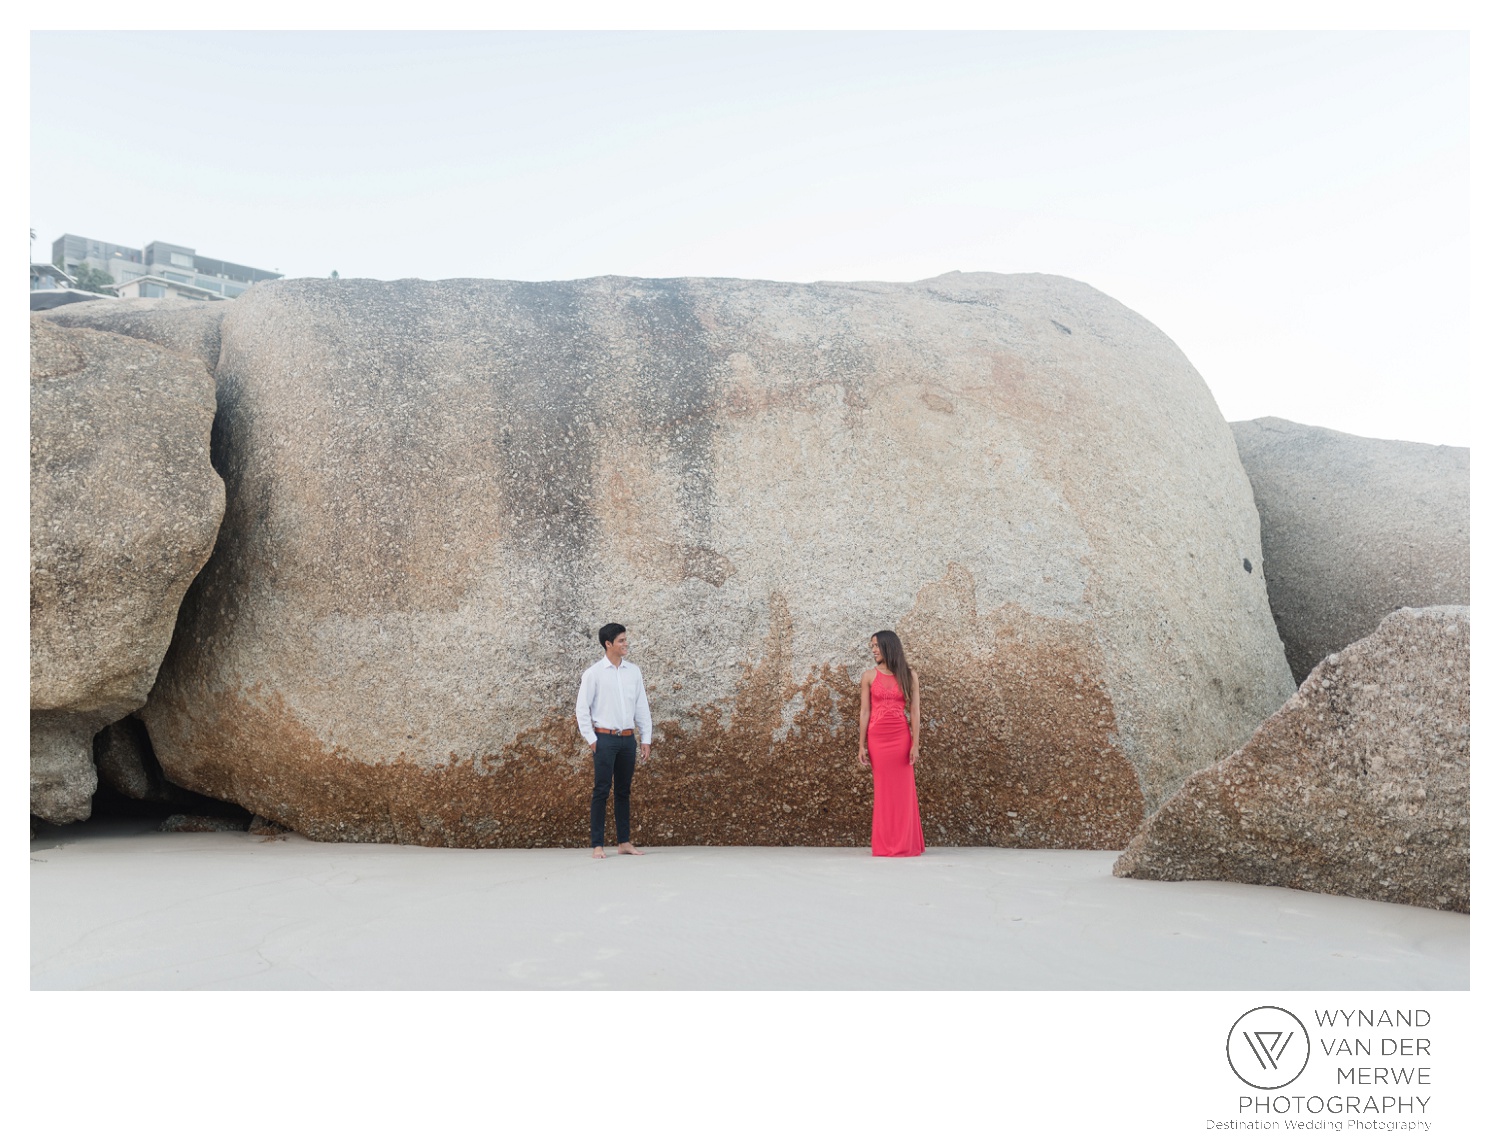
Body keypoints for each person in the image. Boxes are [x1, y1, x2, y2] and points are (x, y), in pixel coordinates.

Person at [575, 622, 653, 859]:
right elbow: (582, 709)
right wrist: (592, 739)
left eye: (625, 639)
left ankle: (624, 842)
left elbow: (641, 706)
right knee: (601, 790)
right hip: (604, 739)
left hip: (628, 740)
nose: (625, 643)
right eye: (620, 640)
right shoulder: (594, 674)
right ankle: (597, 845)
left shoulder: (634, 672)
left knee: (623, 791)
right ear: (608, 644)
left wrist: (645, 738)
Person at [858, 629, 925, 857]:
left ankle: (906, 842)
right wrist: (861, 744)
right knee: (884, 791)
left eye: (876, 645)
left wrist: (915, 744)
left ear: (888, 646)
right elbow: (865, 712)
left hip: (901, 738)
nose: (874, 650)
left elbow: (915, 711)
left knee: (904, 791)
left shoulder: (909, 674)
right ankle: (886, 844)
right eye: (872, 646)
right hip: (877, 739)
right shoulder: (868, 676)